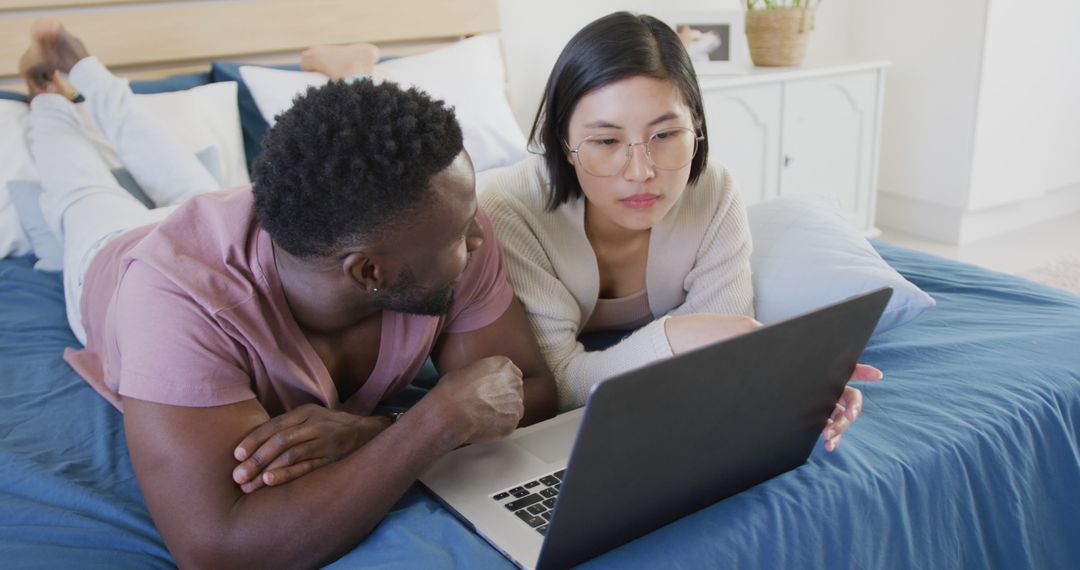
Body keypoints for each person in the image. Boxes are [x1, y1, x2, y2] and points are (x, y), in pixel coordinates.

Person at [20, 18, 556, 568]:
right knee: (80, 190)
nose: (479, 234)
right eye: (462, 234)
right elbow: (216, 547)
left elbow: (524, 390)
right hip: (113, 258)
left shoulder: (434, 223)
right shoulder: (172, 305)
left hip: (237, 225)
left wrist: (373, 431)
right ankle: (51, 98)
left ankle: (91, 71)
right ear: (369, 272)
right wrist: (430, 423)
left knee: (180, 171)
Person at [478, 12, 880, 451]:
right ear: (564, 144)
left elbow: (721, 355)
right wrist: (676, 335)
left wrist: (791, 379)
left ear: (698, 128)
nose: (641, 172)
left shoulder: (713, 190)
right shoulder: (509, 209)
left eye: (666, 134)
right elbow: (557, 383)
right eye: (606, 142)